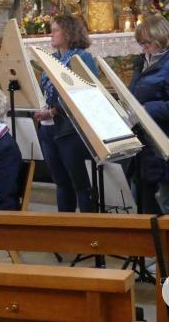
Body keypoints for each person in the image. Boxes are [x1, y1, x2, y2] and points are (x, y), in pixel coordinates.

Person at [33, 15, 98, 213]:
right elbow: (46, 89)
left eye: (56, 30)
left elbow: (86, 91)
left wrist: (54, 110)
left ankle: (89, 230)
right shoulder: (51, 58)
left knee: (80, 183)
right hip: (49, 128)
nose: (51, 34)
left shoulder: (81, 57)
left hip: (70, 129)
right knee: (60, 182)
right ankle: (65, 227)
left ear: (69, 33)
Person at [128, 15, 169, 215]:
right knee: (145, 203)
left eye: (147, 42)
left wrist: (148, 109)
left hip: (167, 144)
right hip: (146, 145)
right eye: (140, 42)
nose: (143, 46)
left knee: (167, 203)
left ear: (161, 38)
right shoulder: (142, 62)